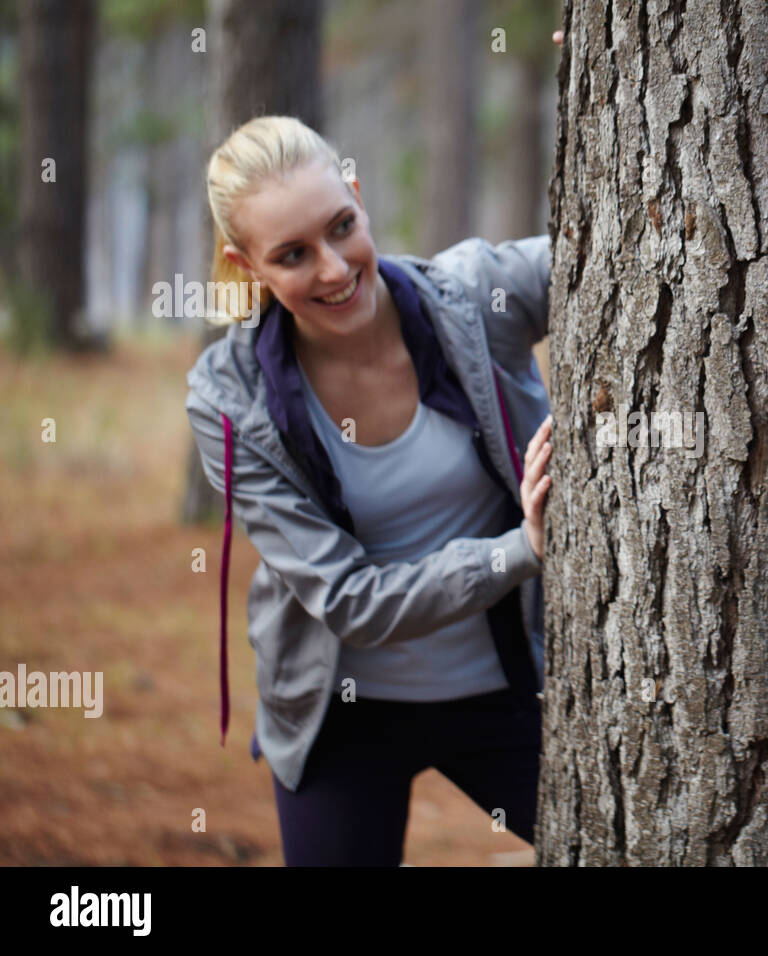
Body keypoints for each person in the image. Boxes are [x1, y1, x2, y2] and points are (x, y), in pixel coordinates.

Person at [185, 115, 554, 865]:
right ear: (246, 265)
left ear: (357, 194)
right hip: (340, 714)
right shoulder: (229, 403)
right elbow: (349, 599)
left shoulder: (477, 295)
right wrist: (521, 550)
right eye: (291, 255)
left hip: (511, 689)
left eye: (341, 227)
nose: (332, 268)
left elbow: (629, 242)